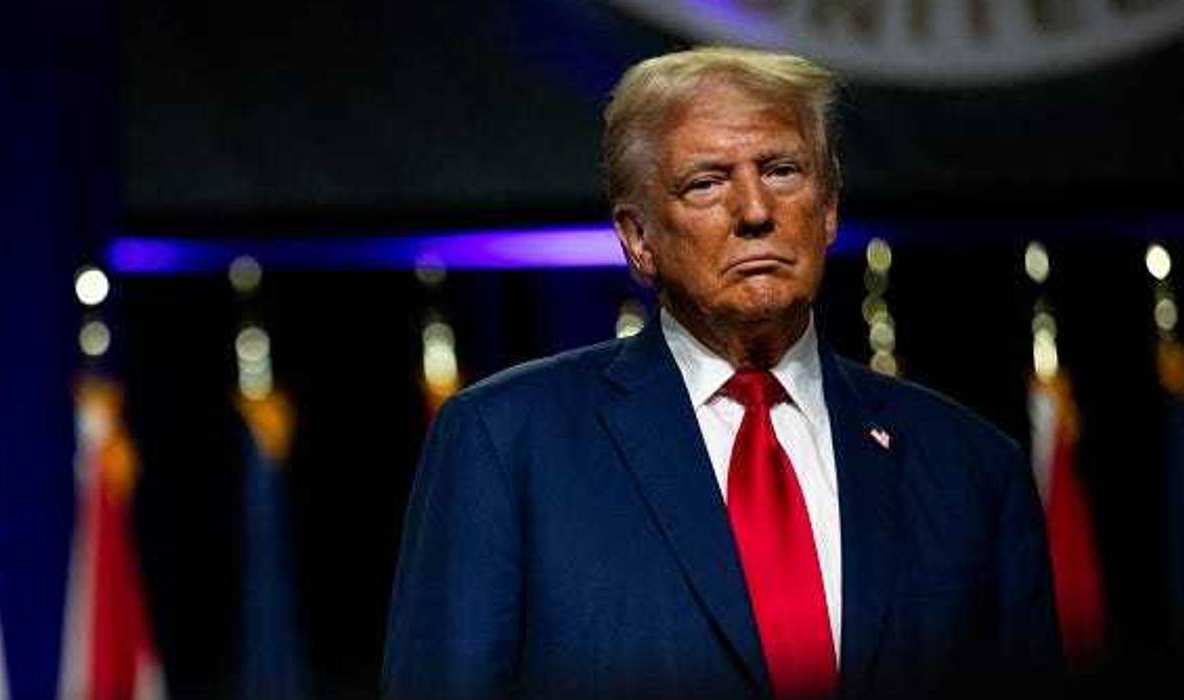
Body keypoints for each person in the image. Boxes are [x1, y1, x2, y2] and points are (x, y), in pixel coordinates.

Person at [381, 47, 1061, 700]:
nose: (755, 212)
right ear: (638, 238)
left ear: (828, 210)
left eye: (782, 171)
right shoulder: (507, 446)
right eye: (706, 183)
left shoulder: (971, 469)